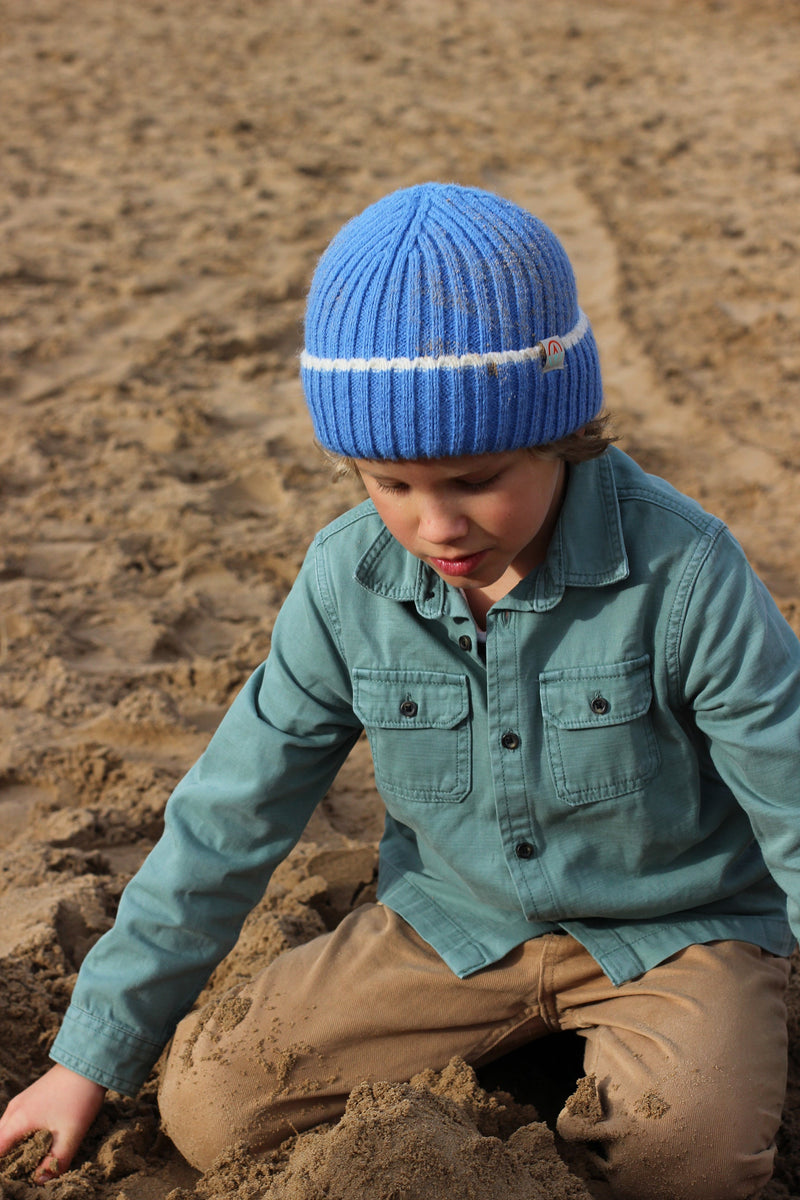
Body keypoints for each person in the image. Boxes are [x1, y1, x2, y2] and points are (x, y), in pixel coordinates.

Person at [1, 182, 798, 1200]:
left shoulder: (682, 571)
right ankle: (532, 1050)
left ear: (561, 428)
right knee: (212, 1109)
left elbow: (788, 792)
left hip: (674, 933)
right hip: (453, 924)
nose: (435, 525)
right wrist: (90, 1056)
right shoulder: (345, 580)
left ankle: (635, 1058)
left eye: (473, 479)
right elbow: (230, 812)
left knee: (681, 1164)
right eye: (388, 484)